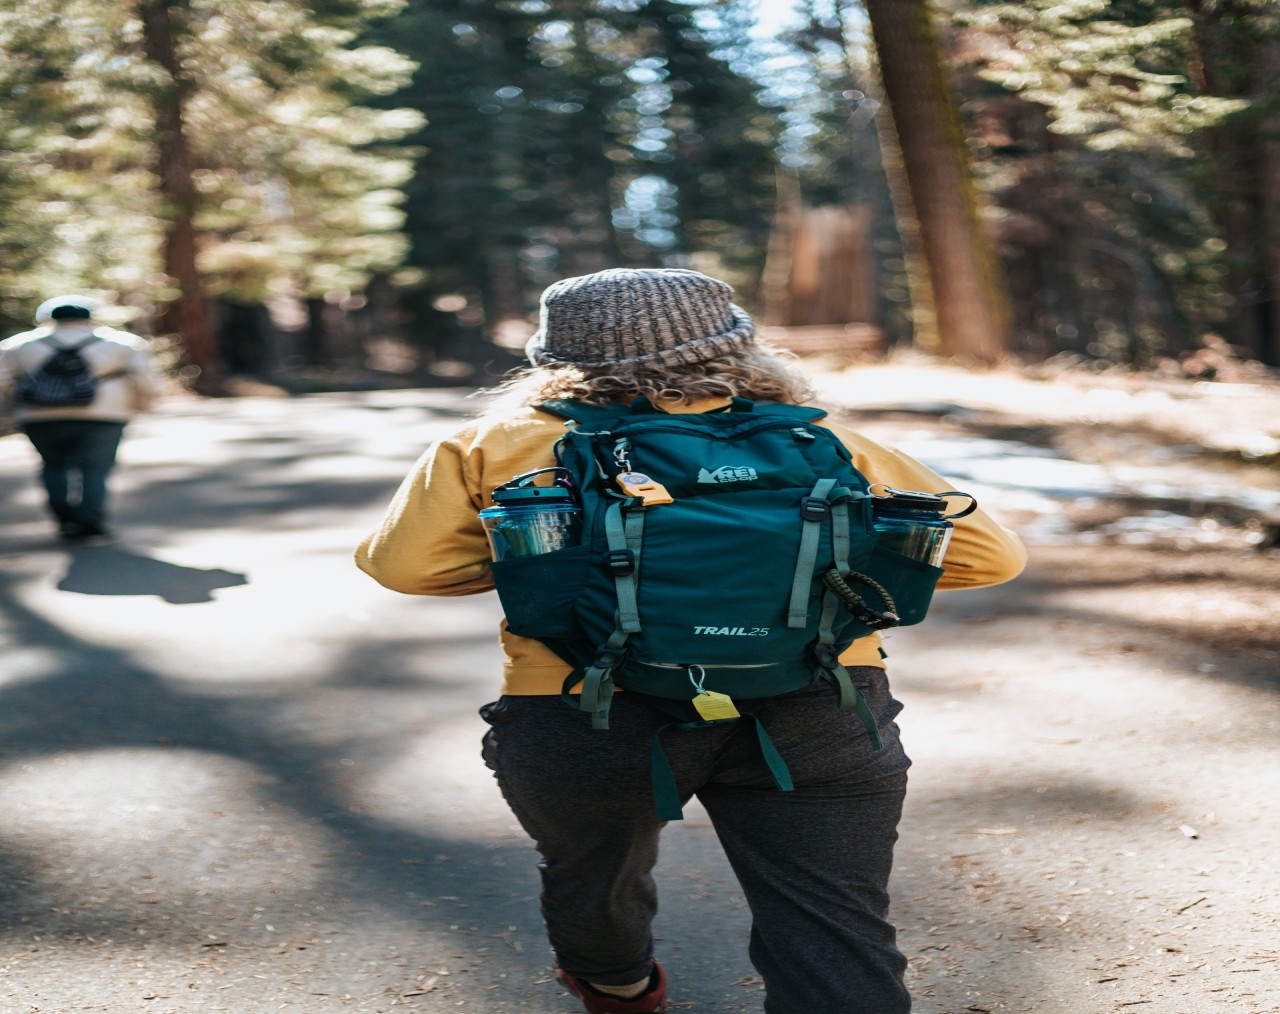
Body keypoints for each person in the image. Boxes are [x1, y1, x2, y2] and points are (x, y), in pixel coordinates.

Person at [355, 268, 1027, 1014]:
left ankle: (621, 988)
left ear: (558, 358)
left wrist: (549, 569)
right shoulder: (818, 440)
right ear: (738, 345)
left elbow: (403, 565)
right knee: (835, 932)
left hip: (587, 709)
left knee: (595, 881)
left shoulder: (498, 443)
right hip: (818, 706)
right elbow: (993, 556)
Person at [0, 293, 164, 541]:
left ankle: (64, 518)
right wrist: (142, 406)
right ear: (90, 316)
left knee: (53, 465)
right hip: (105, 414)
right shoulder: (122, 343)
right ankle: (89, 521)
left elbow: (4, 381)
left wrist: (15, 409)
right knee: (95, 469)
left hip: (38, 416)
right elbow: (145, 380)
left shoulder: (18, 345)